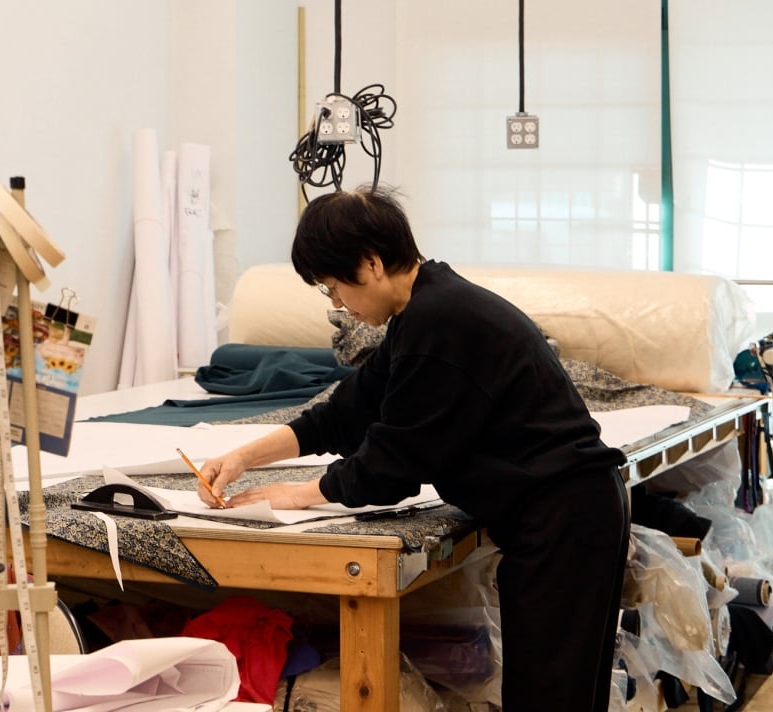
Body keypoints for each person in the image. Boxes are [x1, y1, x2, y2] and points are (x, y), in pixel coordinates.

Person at [197, 186, 630, 711]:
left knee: (549, 699)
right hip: (568, 512)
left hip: (564, 517)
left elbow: (394, 463)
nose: (338, 305)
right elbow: (347, 410)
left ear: (371, 263)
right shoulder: (422, 311)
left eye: (335, 288)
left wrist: (298, 495)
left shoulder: (440, 322)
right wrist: (244, 456)